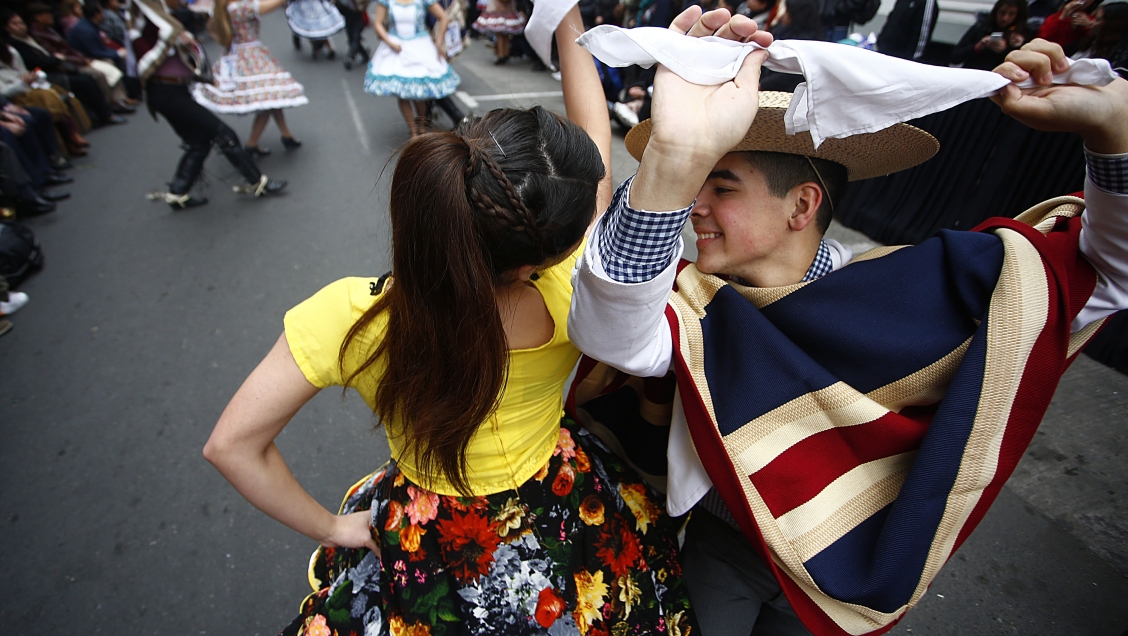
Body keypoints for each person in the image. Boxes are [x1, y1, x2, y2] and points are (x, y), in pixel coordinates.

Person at [568, 8, 1128, 636]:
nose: (694, 205)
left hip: (840, 585)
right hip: (723, 543)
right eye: (697, 181)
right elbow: (608, 329)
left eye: (720, 186)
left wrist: (1115, 136)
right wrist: (675, 154)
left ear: (802, 205)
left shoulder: (891, 295)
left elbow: (1100, 280)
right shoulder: (693, 301)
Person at [203, 7, 697, 636]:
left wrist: (333, 528)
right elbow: (592, 126)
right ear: (534, 259)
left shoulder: (353, 315)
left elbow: (231, 446)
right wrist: (566, 15)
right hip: (562, 503)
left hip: (425, 528)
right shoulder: (574, 283)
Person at [132, 0, 287, 209]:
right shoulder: (157, 27)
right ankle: (258, 182)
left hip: (172, 92)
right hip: (167, 94)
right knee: (225, 134)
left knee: (198, 143)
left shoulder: (166, 24)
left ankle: (178, 192)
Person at [193, 0, 308, 156]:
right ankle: (252, 144)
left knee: (272, 93)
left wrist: (228, 41)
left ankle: (286, 135)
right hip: (251, 56)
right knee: (266, 100)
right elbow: (269, 6)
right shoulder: (240, 7)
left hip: (237, 53)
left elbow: (211, 28)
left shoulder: (223, 8)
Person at [3, 10, 120, 129]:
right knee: (86, 81)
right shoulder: (14, 45)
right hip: (44, 74)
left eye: (21, 23)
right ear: (7, 28)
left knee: (91, 76)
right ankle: (105, 114)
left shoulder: (32, 36)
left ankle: (108, 108)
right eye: (15, 24)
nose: (20, 26)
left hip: (57, 67)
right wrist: (56, 59)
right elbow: (37, 62)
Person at [364, 0, 460, 137]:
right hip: (396, 48)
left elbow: (444, 17)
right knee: (402, 94)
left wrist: (438, 42)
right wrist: (389, 42)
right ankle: (413, 131)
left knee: (420, 94)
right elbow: (378, 23)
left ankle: (421, 126)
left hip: (420, 46)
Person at [951, 0, 1030, 70]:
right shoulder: (981, 27)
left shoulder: (1021, 35)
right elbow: (955, 56)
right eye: (1002, 12)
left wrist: (1008, 50)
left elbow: (1023, 66)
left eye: (1011, 14)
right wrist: (978, 47)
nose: (1005, 18)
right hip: (974, 72)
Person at [1037, 0, 1104, 47]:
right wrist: (1062, 16)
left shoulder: (1096, 19)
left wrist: (1089, 26)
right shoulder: (1059, 14)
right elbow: (1043, 38)